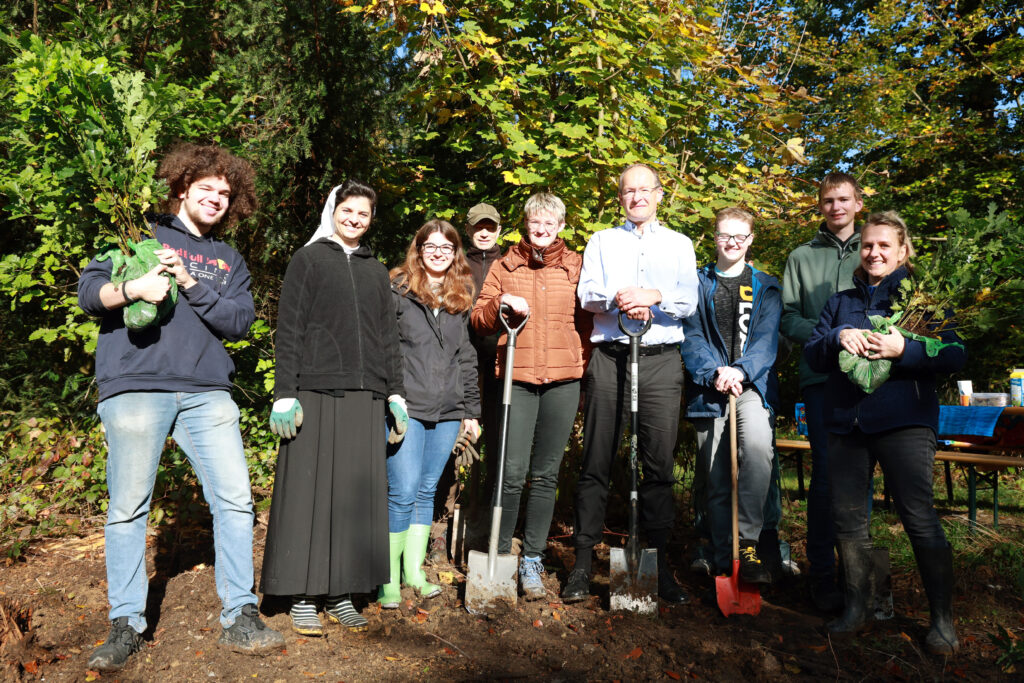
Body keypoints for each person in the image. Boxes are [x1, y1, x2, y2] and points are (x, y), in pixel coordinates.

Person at [77, 144, 284, 671]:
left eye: (225, 193)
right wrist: (134, 288)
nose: (217, 198)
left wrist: (188, 282)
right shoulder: (138, 235)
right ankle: (126, 622)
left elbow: (238, 323)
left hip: (208, 391)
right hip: (135, 386)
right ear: (181, 188)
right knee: (128, 508)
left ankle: (239, 614)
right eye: (207, 188)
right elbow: (89, 292)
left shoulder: (226, 260)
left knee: (236, 500)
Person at [804, 211, 964, 655]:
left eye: (883, 246)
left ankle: (942, 621)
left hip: (904, 422)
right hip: (845, 424)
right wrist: (837, 336)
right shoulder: (840, 301)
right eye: (867, 246)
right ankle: (856, 609)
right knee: (849, 522)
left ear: (902, 250)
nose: (873, 253)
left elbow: (954, 354)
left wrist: (904, 349)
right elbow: (814, 354)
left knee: (919, 517)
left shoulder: (921, 300)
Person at [260, 181, 406, 636]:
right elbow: (290, 328)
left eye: (363, 213)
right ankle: (303, 595)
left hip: (367, 398)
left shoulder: (377, 270)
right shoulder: (308, 259)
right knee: (308, 495)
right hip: (315, 392)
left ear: (370, 219)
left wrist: (396, 394)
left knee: (351, 497)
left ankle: (340, 593)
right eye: (348, 210)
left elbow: (388, 337)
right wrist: (286, 391)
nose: (355, 219)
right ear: (333, 211)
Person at [565, 162, 699, 605]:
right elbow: (587, 294)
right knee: (596, 461)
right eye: (628, 191)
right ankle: (583, 566)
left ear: (659, 195)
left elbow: (688, 300)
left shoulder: (680, 244)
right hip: (611, 358)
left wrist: (654, 296)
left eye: (645, 190)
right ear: (619, 197)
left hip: (660, 361)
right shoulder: (602, 241)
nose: (637, 197)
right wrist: (619, 298)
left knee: (658, 468)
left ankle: (657, 570)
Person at [471, 193, 591, 600]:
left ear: (560, 225)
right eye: (534, 223)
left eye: (549, 224)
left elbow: (589, 322)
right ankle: (500, 553)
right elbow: (479, 317)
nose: (540, 231)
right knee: (511, 469)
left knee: (545, 474)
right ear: (525, 224)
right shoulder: (506, 265)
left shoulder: (576, 266)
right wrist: (500, 304)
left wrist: (581, 364)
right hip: (516, 378)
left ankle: (533, 561)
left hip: (562, 380)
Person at [383, 219, 481, 607]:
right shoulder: (398, 290)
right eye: (431, 247)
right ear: (418, 250)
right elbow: (385, 348)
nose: (438, 253)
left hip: (448, 411)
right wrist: (392, 395)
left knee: (426, 490)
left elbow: (467, 357)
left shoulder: (460, 296)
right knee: (402, 491)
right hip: (408, 406)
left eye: (446, 247)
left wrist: (471, 409)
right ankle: (388, 578)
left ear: (455, 253)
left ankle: (413, 573)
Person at [681, 207, 780, 584]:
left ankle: (749, 545)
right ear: (715, 237)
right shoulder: (696, 282)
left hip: (752, 387)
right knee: (716, 473)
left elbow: (767, 340)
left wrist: (740, 370)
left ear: (751, 239)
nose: (733, 242)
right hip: (709, 388)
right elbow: (690, 336)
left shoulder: (765, 286)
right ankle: (725, 555)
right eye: (726, 235)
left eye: (741, 236)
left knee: (756, 449)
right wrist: (715, 373)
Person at [779, 171, 864, 611]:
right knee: (827, 476)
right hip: (821, 379)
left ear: (858, 204)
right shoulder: (801, 256)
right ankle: (822, 575)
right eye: (828, 201)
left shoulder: (874, 251)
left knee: (862, 475)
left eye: (844, 199)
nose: (836, 207)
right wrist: (832, 334)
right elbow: (788, 318)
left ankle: (857, 574)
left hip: (871, 376)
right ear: (820, 206)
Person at [429, 203, 505, 561]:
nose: (485, 232)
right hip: (462, 369)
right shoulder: (457, 266)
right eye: (479, 227)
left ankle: (485, 525)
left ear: (500, 229)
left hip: (502, 369)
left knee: (496, 449)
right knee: (453, 447)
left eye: (491, 226)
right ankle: (439, 521)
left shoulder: (509, 264)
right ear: (470, 228)